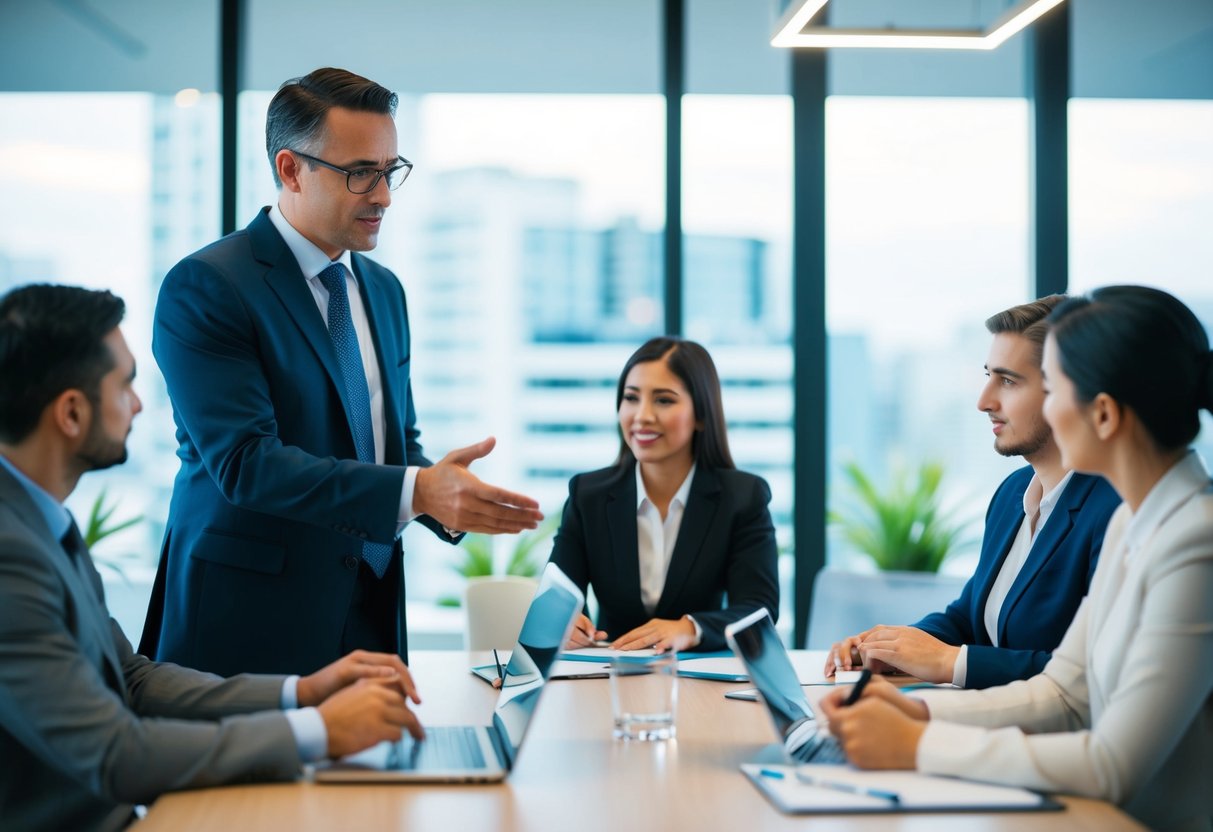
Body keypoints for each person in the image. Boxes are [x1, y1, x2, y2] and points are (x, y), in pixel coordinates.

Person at [140, 67, 542, 677]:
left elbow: (388, 443)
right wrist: (416, 491)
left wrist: (446, 496)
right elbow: (246, 464)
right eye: (360, 173)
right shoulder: (208, 286)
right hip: (247, 623)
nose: (383, 197)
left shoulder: (384, 290)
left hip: (371, 611)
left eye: (390, 171)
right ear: (290, 169)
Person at [0, 284, 426, 832]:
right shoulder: (11, 555)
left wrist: (302, 693)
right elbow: (115, 753)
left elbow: (130, 679)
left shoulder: (40, 520)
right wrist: (317, 730)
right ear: (72, 412)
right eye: (125, 384)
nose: (138, 404)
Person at [820, 285, 1213, 831]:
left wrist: (918, 743)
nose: (990, 401)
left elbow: (1112, 764)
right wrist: (917, 710)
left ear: (1102, 414)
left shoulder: (1197, 540)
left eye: (1054, 388)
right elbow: (1065, 694)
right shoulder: (1136, 520)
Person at [826, 296, 1121, 688]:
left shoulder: (1114, 510)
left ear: (1066, 391)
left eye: (1008, 381)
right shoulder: (1011, 495)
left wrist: (951, 662)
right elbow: (968, 618)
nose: (984, 402)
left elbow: (1093, 676)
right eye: (988, 376)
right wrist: (887, 647)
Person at [548, 337, 779, 653]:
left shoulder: (743, 497)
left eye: (663, 400)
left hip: (699, 673)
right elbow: (558, 595)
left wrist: (690, 628)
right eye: (631, 398)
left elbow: (759, 608)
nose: (642, 415)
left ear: (701, 414)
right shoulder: (587, 495)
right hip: (608, 671)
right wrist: (565, 622)